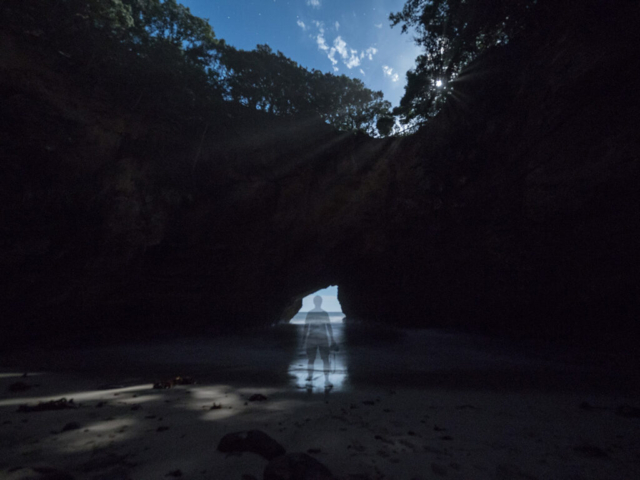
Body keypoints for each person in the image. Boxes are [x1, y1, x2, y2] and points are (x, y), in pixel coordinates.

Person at [302, 295, 336, 388]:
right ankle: (327, 380)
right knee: (325, 360)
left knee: (311, 360)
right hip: (323, 339)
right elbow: (329, 327)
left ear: (314, 302)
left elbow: (306, 327)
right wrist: (332, 339)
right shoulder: (324, 313)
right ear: (320, 302)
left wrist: (303, 341)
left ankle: (310, 377)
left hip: (312, 338)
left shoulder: (310, 313)